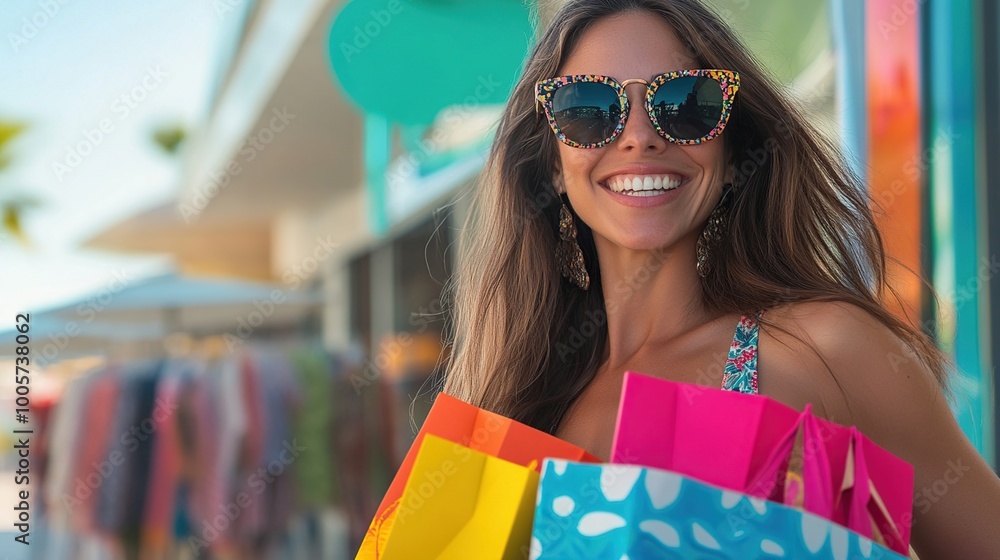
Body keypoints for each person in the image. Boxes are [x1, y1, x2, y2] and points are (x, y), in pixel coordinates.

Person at [437, 0, 1000, 557]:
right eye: (587, 106)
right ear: (554, 166)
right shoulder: (511, 403)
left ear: (733, 154)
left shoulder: (823, 351)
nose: (639, 137)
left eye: (685, 103)